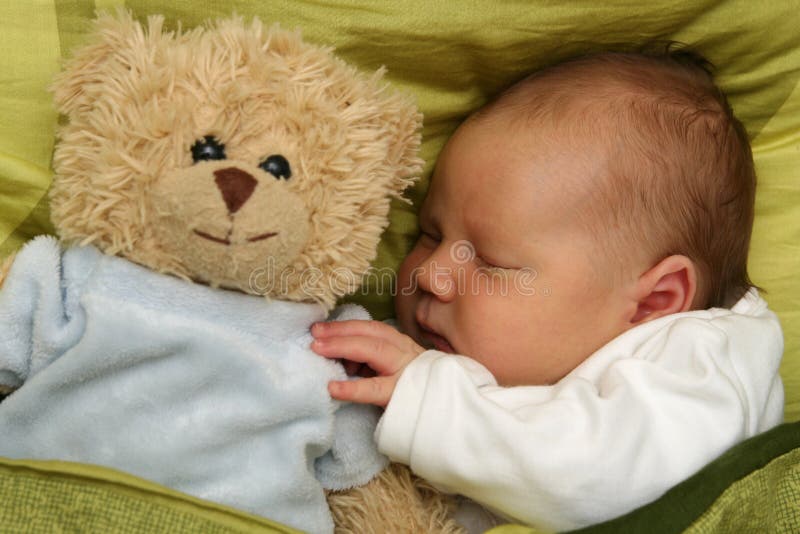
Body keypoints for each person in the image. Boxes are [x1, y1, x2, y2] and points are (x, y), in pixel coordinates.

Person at [310, 49, 784, 531]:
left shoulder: (705, 370)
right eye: (430, 234)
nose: (432, 274)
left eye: (492, 262)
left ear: (654, 302)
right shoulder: (485, 352)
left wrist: (426, 400)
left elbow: (602, 479)